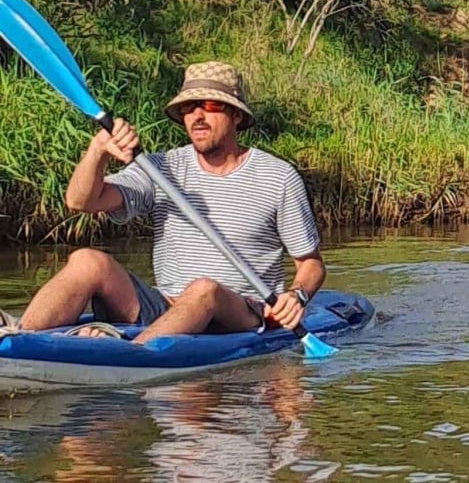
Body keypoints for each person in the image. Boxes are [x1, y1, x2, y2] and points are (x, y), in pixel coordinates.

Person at [15, 62, 325, 343]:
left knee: (204, 289)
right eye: (189, 108)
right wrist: (98, 151)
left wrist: (296, 295)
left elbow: (310, 263)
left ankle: (131, 355)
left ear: (236, 115)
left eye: (210, 105)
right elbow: (80, 201)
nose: (197, 116)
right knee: (87, 261)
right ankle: (20, 340)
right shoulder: (161, 168)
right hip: (164, 307)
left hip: (240, 314)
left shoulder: (278, 177)